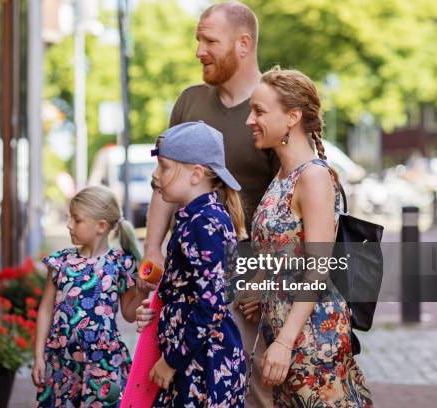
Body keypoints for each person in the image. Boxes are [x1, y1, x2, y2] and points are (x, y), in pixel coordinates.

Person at [143, 2, 278, 406]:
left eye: (209, 40)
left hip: (247, 281)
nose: (199, 49)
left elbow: (290, 207)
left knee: (249, 391)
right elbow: (165, 184)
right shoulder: (190, 101)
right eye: (198, 39)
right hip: (192, 273)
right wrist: (152, 249)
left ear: (243, 44)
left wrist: (263, 280)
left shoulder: (270, 103)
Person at [246, 66, 374, 407]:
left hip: (312, 337)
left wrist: (285, 342)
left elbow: (318, 269)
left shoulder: (314, 177)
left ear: (292, 116)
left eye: (259, 111)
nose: (249, 120)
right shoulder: (282, 176)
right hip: (285, 331)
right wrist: (261, 287)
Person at [138, 121, 247, 407]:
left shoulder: (205, 223)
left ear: (196, 174)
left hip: (202, 368)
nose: (155, 175)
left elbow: (212, 304)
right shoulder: (194, 219)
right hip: (192, 362)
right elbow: (186, 292)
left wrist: (171, 361)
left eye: (164, 167)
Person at [31, 186, 152, 407]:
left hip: (103, 364)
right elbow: (46, 309)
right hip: (62, 361)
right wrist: (39, 356)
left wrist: (143, 290)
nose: (69, 225)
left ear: (101, 226)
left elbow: (128, 313)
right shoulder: (60, 263)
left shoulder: (120, 264)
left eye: (77, 220)